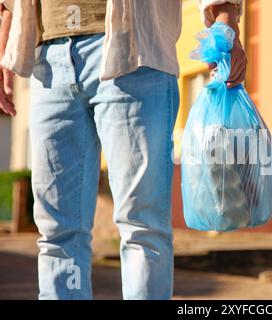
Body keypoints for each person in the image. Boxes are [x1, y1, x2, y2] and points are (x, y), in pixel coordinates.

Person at [0, 0, 247, 300]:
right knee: (55, 233)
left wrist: (226, 18)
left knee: (142, 226)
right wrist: (6, 43)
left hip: (134, 48)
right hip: (46, 58)